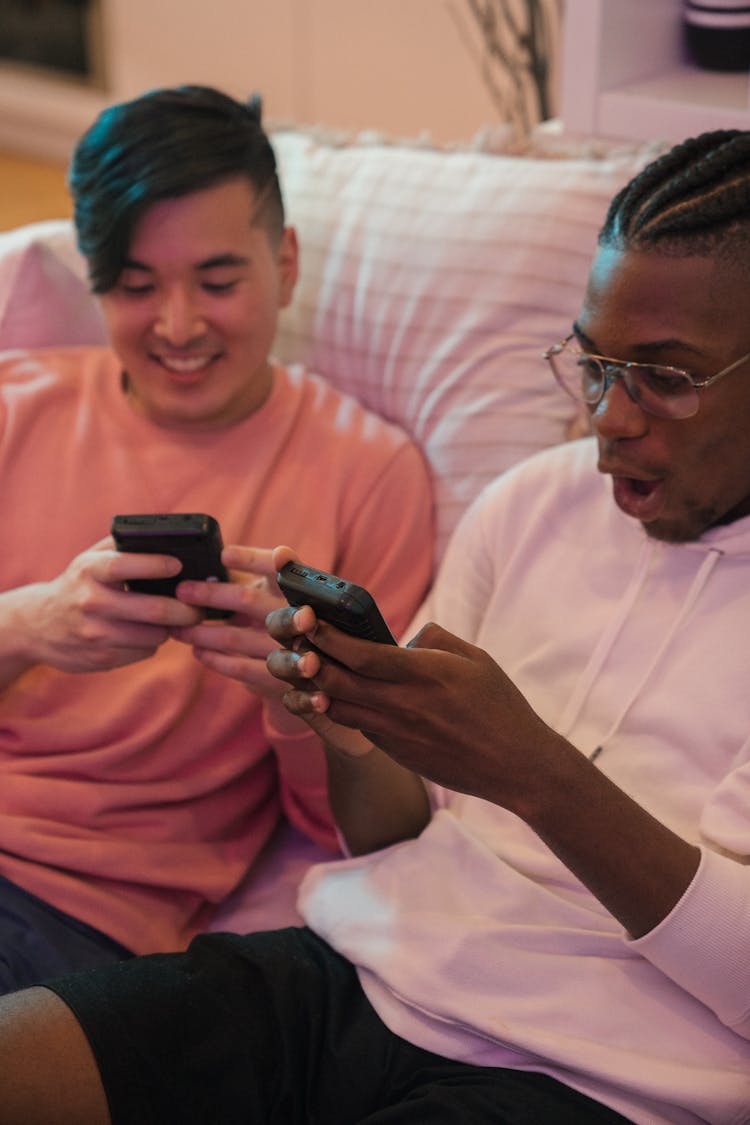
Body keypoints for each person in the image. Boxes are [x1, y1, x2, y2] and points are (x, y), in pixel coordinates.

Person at [1, 128, 749, 1125]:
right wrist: (341, 715)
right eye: (596, 362)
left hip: (600, 1071)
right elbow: (395, 833)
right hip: (350, 976)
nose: (609, 418)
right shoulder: (533, 503)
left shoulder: (361, 463)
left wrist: (536, 773)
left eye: (668, 376)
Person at [0, 85, 433, 991]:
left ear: (285, 262)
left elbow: (371, 834)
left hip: (72, 914)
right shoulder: (17, 406)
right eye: (135, 285)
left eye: (219, 280)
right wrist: (28, 627)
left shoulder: (369, 474)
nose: (180, 326)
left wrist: (299, 701)